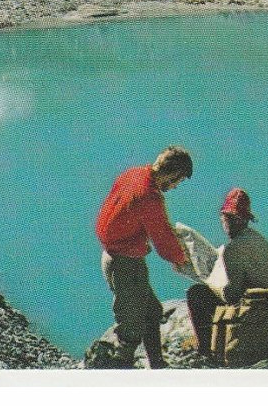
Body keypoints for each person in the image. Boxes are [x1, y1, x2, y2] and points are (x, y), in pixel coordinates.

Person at [96, 146, 196, 369]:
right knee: (132, 324)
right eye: (177, 181)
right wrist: (180, 258)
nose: (175, 186)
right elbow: (162, 238)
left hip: (115, 254)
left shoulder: (133, 174)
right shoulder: (149, 196)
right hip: (125, 262)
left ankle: (157, 364)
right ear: (172, 174)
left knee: (151, 311)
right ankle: (121, 368)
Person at [185, 188, 268, 359]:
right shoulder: (258, 239)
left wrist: (210, 282)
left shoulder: (233, 249)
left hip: (261, 311)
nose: (226, 223)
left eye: (227, 218)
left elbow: (231, 295)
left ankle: (207, 354)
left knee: (196, 294)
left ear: (226, 219)